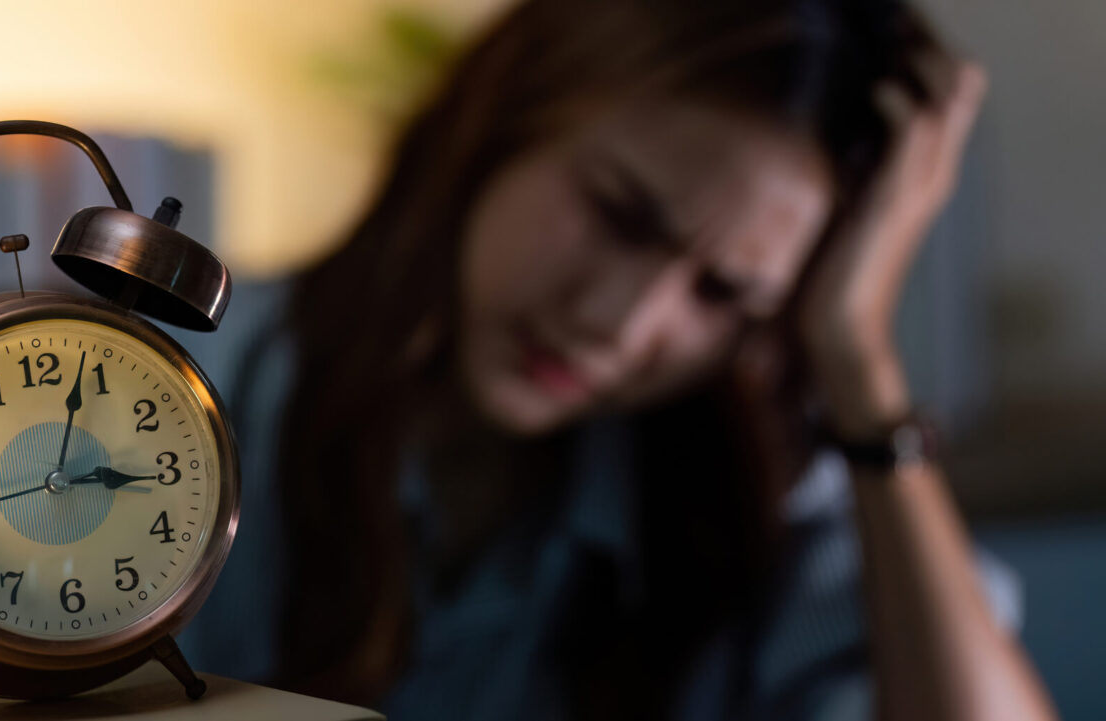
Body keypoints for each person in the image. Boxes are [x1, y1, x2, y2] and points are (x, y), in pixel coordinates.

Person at [179, 0, 1059, 718]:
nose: (620, 321)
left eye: (722, 293)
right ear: (504, 124)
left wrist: (861, 358)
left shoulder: (749, 501)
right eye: (620, 213)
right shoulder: (168, 390)